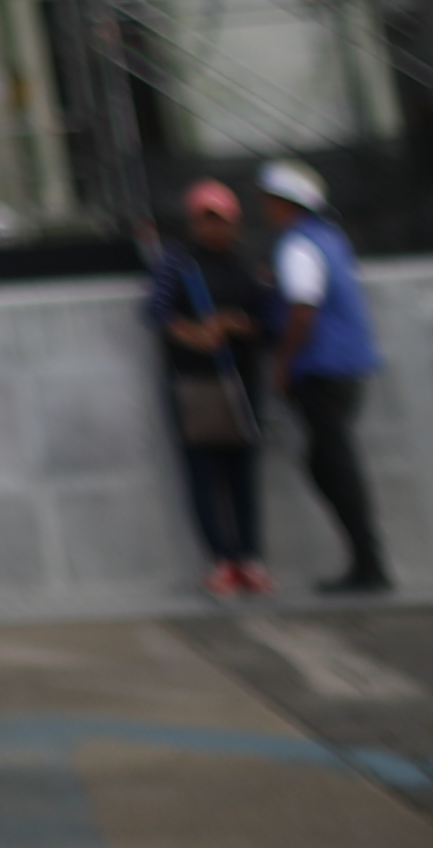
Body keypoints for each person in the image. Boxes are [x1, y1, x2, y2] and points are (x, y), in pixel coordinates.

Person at [251, 163, 392, 595]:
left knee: (335, 464)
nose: (266, 210)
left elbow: (303, 309)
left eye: (270, 201)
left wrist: (283, 360)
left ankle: (369, 565)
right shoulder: (330, 239)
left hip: (320, 368)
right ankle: (364, 559)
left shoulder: (297, 246)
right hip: (346, 366)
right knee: (327, 461)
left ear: (285, 205)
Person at [143, 183, 271, 599]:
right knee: (203, 473)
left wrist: (234, 325)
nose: (213, 229)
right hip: (194, 383)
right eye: (205, 219)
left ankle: (249, 557)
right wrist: (196, 335)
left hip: (239, 381)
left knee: (242, 473)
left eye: (221, 220)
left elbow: (267, 317)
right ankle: (221, 559)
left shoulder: (246, 264)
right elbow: (157, 312)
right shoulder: (179, 264)